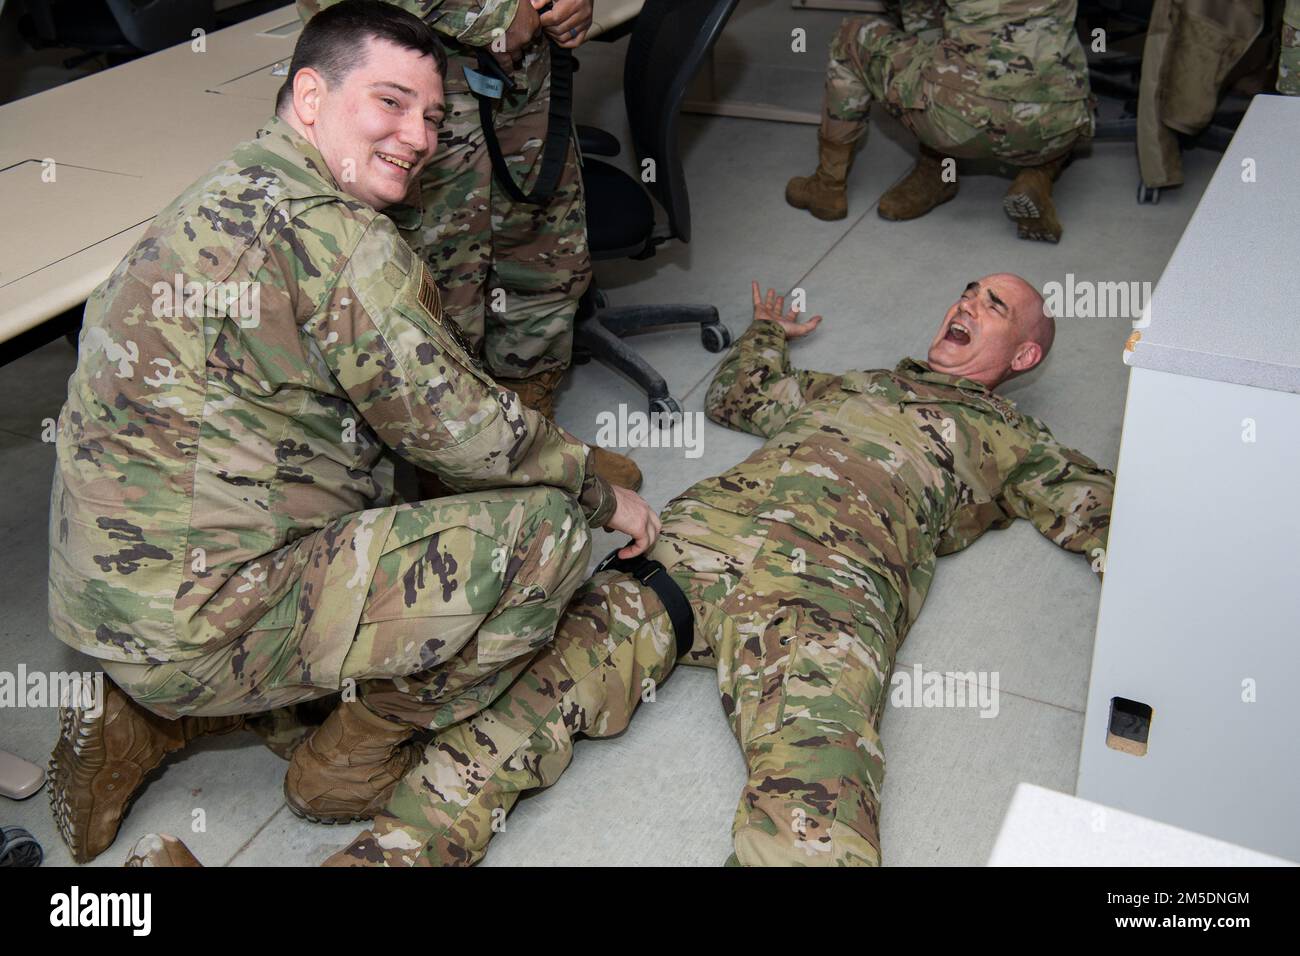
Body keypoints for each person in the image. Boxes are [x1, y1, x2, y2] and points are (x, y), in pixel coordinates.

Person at [46, 0, 658, 864]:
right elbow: (461, 432)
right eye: (390, 102)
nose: (417, 135)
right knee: (547, 533)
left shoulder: (218, 192)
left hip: (109, 596)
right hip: (200, 621)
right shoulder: (341, 241)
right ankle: (346, 757)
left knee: (371, 470)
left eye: (434, 115)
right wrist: (599, 491)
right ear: (309, 96)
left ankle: (146, 714)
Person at [325, 273, 1114, 866]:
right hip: (690, 547)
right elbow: (741, 396)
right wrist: (767, 332)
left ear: (1025, 354)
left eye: (994, 308)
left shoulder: (1013, 439)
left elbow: (1103, 513)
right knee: (515, 713)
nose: (967, 306)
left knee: (816, 793)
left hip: (827, 593)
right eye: (969, 292)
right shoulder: (858, 384)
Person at [297, 0, 643, 489]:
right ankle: (456, 476)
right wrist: (497, 10)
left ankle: (531, 447)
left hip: (525, 74)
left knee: (544, 264)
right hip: (409, 77)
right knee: (437, 298)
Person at [786, 0, 1093, 243]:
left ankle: (828, 187)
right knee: (1054, 71)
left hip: (960, 120)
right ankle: (1036, 174)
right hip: (1062, 121)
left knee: (850, 35)